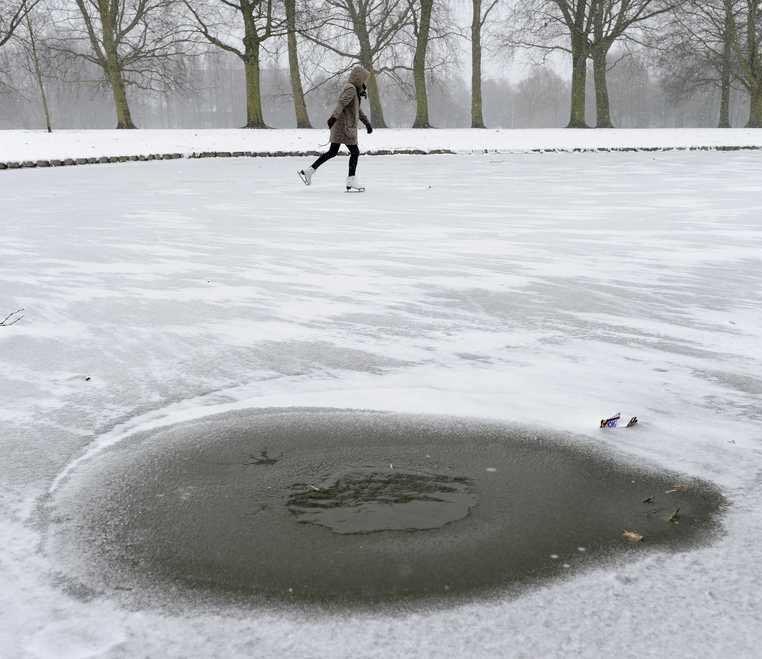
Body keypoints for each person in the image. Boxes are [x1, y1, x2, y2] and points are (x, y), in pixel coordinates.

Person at [299, 65, 373, 192]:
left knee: (332, 152)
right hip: (344, 127)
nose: (365, 82)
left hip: (342, 126)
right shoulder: (350, 89)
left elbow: (356, 109)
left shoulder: (354, 89)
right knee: (355, 152)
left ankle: (309, 171)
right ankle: (351, 179)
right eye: (363, 80)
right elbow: (342, 103)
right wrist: (333, 117)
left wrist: (366, 123)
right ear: (358, 78)